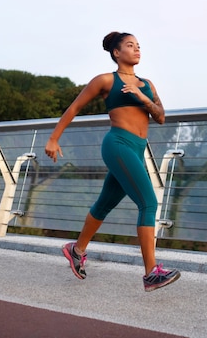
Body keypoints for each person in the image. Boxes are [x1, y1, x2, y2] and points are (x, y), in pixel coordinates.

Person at [44, 31, 180, 292]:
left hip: (137, 149)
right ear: (117, 53)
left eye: (139, 46)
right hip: (118, 144)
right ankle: (151, 272)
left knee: (105, 203)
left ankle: (77, 249)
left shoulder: (148, 84)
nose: (137, 49)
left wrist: (141, 97)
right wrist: (53, 138)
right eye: (130, 45)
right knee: (148, 202)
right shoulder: (106, 80)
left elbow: (161, 117)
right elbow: (74, 108)